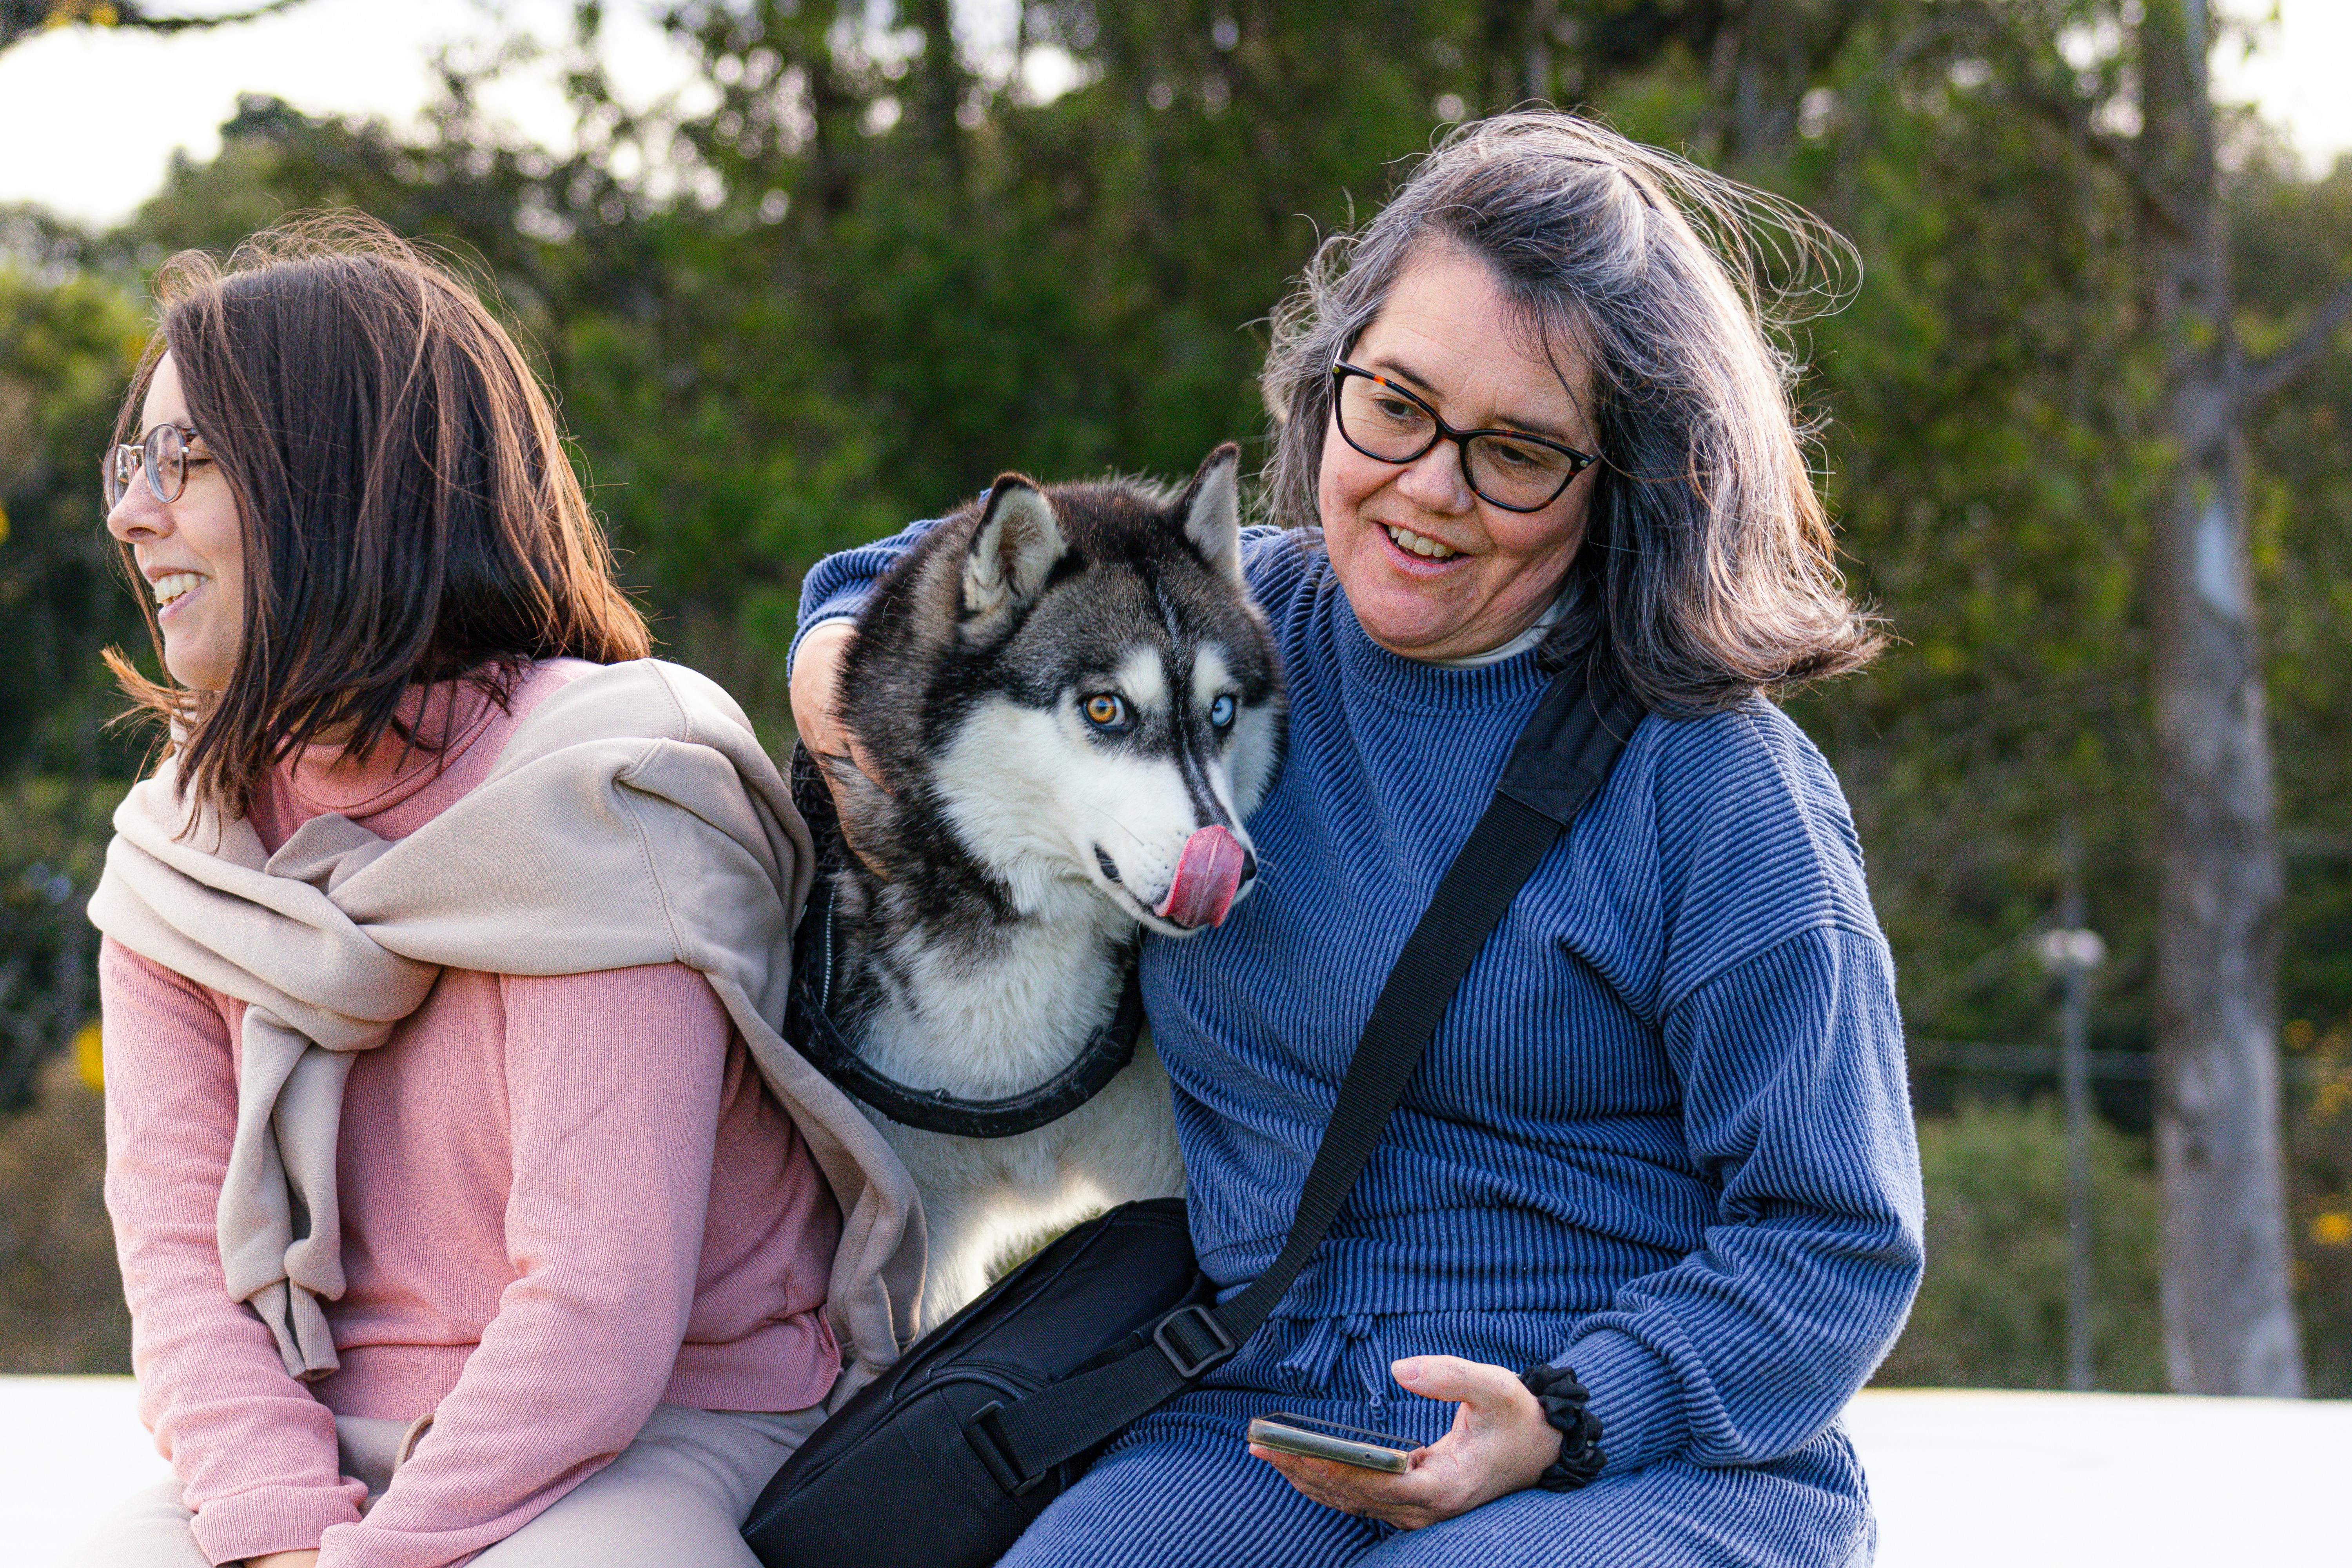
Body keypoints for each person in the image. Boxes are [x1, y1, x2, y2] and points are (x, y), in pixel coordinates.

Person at [788, 113, 1924, 1566]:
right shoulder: (1214, 624)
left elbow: (1837, 1238)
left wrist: (1578, 1411)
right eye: (1395, 404)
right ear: (1331, 385)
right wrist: (851, 719)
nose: (1429, 485)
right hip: (1264, 1419)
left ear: (1625, 483)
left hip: (1631, 1457)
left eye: (1518, 451)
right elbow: (880, 585)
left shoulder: (1716, 788)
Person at [73, 218, 919, 1568]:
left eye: (189, 459)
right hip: (319, 1438)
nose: (131, 512)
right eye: (131, 461)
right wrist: (281, 1530)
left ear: (337, 484)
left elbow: (598, 1311)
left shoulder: (599, 792)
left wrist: (365, 1562)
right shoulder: (183, 852)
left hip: (655, 1428)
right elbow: (183, 1281)